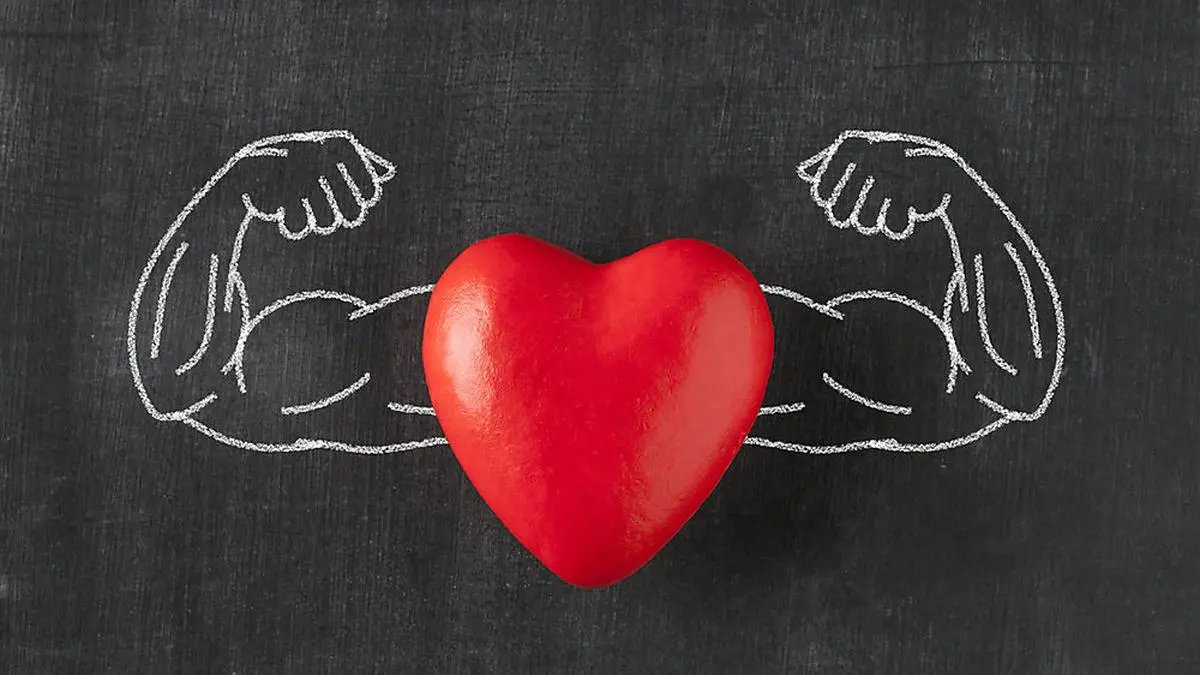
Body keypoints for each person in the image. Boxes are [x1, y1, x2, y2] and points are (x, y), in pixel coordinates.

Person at [128, 129, 1063, 454]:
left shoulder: (803, 363)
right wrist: (231, 195)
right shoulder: (386, 359)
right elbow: (184, 387)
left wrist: (962, 198)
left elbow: (1006, 388)